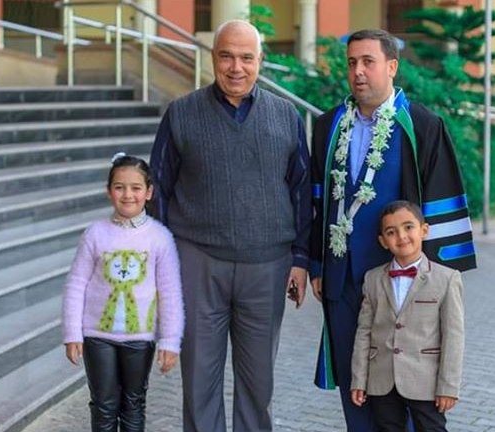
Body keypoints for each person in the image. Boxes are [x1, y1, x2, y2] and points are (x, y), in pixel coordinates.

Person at [309, 29, 476, 431]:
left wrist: (434, 280)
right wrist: (315, 262)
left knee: (410, 383)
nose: (358, 72)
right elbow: (317, 200)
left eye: (368, 62)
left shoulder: (422, 125)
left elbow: (440, 198)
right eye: (352, 63)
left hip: (402, 283)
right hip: (344, 279)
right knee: (355, 382)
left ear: (392, 67)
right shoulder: (328, 126)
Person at [149, 19, 312, 432]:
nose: (236, 67)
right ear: (212, 58)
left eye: (246, 57)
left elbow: (301, 191)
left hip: (268, 265)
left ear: (260, 61)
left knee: (258, 383)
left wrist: (300, 259)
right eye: (226, 56)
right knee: (199, 377)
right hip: (197, 261)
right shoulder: (181, 113)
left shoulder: (286, 116)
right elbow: (159, 190)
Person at [62, 153, 184, 432]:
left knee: (134, 403)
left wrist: (170, 341)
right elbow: (76, 283)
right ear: (109, 191)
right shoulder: (95, 234)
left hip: (139, 338)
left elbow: (170, 292)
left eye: (136, 188)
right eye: (119, 187)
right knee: (103, 404)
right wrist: (72, 333)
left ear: (149, 192)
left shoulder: (160, 237)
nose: (128, 195)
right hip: (97, 337)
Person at [350, 200, 464, 432]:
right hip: (382, 379)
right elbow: (364, 333)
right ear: (383, 241)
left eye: (408, 227)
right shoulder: (372, 279)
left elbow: (454, 337)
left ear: (424, 230)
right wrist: (359, 379)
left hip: (425, 380)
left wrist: (448, 386)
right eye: (391, 232)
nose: (401, 236)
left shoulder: (447, 279)